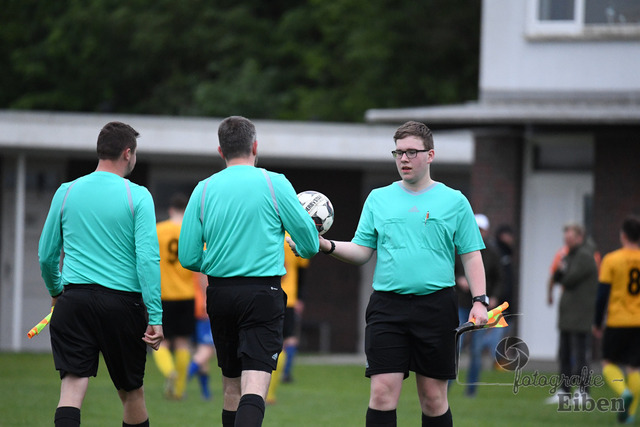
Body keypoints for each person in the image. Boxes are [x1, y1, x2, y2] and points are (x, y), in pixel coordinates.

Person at [289, 121, 488, 427]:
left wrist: (479, 301)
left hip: (437, 308)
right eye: (398, 152)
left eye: (411, 152)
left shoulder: (455, 201)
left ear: (430, 155)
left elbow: (471, 254)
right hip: (388, 308)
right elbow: (361, 251)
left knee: (433, 398)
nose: (403, 159)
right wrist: (324, 245)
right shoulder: (378, 198)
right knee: (382, 394)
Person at [178, 116, 319, 427]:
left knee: (231, 386)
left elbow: (188, 257)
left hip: (219, 293)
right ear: (255, 146)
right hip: (262, 293)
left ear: (220, 151)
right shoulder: (275, 183)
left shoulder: (203, 189)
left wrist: (221, 262)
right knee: (254, 384)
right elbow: (309, 244)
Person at [38, 121, 164, 427]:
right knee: (131, 393)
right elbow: (147, 260)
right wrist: (155, 315)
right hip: (122, 305)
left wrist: (57, 291)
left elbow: (46, 255)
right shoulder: (138, 196)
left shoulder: (66, 192)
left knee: (71, 388)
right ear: (127, 153)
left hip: (74, 301)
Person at [593, 215, 640, 424]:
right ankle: (630, 414)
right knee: (635, 368)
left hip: (618, 320)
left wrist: (597, 322)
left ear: (623, 236)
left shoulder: (612, 259)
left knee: (608, 363)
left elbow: (602, 294)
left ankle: (623, 392)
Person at [545, 223, 598, 404]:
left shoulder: (584, 255)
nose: (566, 241)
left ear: (579, 237)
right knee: (565, 353)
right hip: (568, 313)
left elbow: (569, 279)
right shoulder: (569, 254)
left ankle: (583, 391)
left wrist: (562, 270)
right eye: (565, 237)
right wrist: (560, 269)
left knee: (580, 354)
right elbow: (557, 276)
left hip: (581, 313)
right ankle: (564, 391)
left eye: (570, 237)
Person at [455, 214, 503, 397]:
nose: (478, 232)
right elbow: (448, 271)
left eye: (481, 230)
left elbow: (500, 278)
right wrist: (459, 280)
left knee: (476, 349)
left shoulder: (493, 253)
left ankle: (471, 390)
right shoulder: (458, 249)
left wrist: (494, 297)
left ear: (486, 231)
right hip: (461, 303)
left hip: (481, 306)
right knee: (456, 346)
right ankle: (447, 385)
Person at [153, 193, 195, 400]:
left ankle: (170, 371)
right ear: (187, 211)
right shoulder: (192, 232)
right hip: (187, 294)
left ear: (170, 210)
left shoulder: (158, 230)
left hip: (163, 294)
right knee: (183, 343)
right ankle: (178, 390)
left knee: (159, 341)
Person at [266, 234, 310, 404]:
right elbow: (302, 272)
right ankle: (281, 379)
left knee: (267, 342)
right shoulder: (295, 239)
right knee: (287, 340)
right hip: (289, 298)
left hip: (268, 295)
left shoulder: (267, 234)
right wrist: (300, 298)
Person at [188, 272, 216, 400]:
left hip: (192, 305)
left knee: (200, 350)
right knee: (206, 350)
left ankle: (205, 393)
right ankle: (181, 380)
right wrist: (206, 300)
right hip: (203, 309)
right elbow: (203, 277)